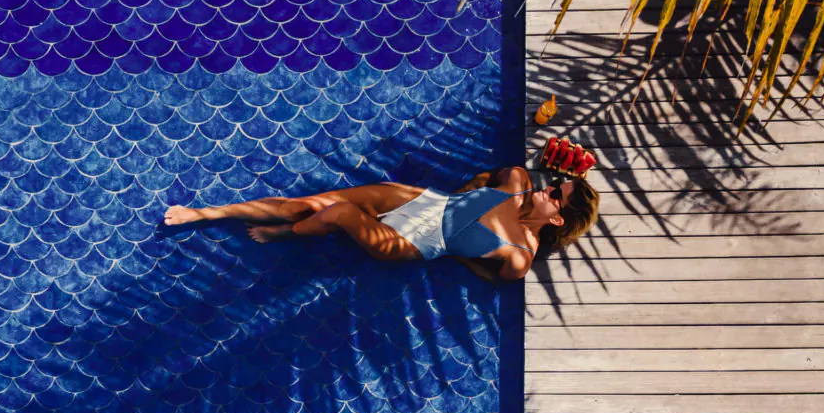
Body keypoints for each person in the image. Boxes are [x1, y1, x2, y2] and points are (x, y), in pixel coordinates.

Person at [162, 166, 600, 282]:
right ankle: (207, 213)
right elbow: (486, 179)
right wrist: (464, 197)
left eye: (555, 194)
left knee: (336, 214)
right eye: (554, 183)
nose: (548, 188)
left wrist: (454, 253)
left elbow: (493, 274)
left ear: (558, 216)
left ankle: (285, 233)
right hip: (423, 200)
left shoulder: (521, 256)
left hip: (415, 241)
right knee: (308, 202)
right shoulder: (519, 183)